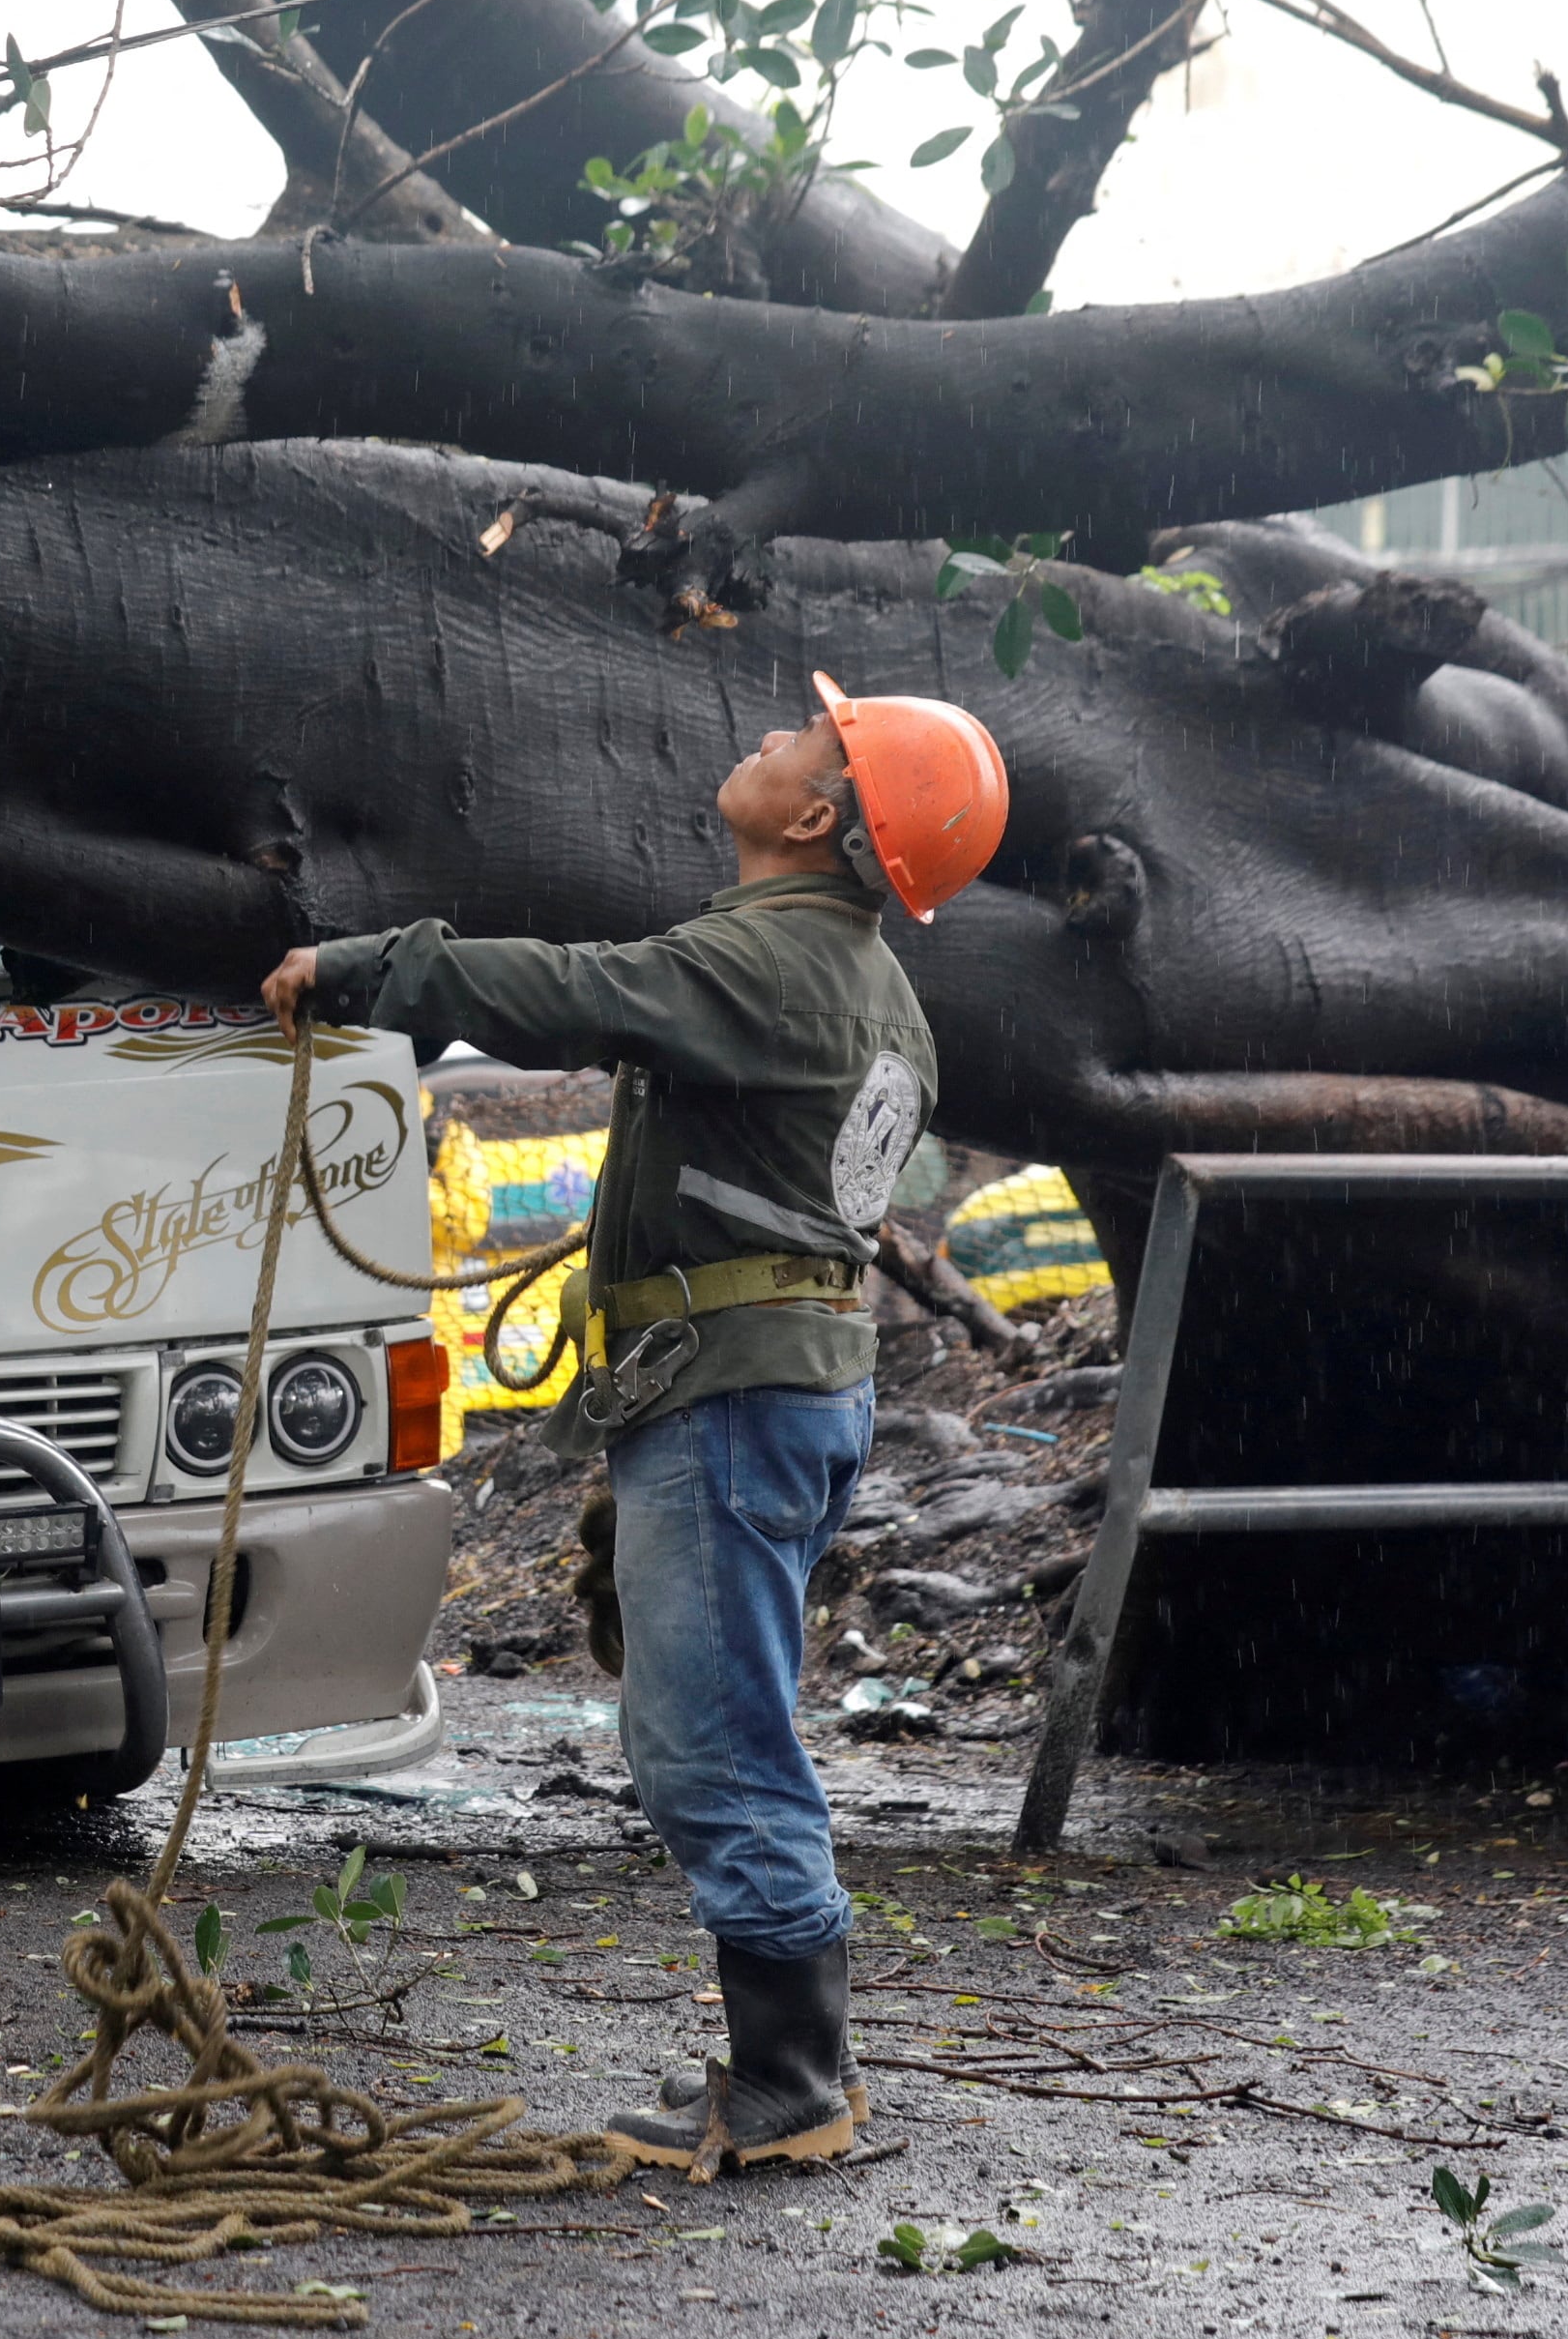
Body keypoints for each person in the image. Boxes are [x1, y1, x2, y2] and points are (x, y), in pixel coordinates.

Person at [261, 672, 1009, 2178]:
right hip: (776, 1380)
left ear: (816, 813)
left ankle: (795, 2082)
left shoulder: (769, 965)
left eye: (802, 739)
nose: (763, 736)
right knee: (720, 1720)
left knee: (710, 1739)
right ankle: (790, 2066)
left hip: (734, 1397)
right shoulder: (871, 989)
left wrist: (365, 969)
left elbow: (571, 991)